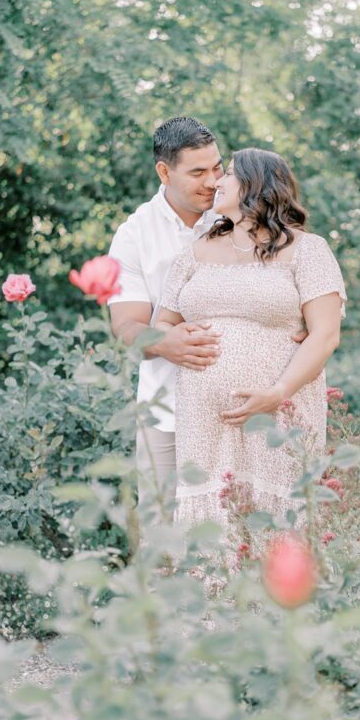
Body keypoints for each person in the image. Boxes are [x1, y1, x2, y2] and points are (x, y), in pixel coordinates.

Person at [155, 147, 346, 528]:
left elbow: (325, 337)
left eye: (227, 173)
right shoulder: (194, 253)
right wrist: (178, 339)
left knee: (277, 525)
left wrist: (278, 392)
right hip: (203, 419)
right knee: (210, 528)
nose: (216, 182)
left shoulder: (307, 250)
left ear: (256, 183)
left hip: (278, 411)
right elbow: (161, 326)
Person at [107, 117, 224, 506]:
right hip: (166, 413)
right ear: (164, 172)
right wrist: (165, 342)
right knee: (163, 538)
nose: (212, 181)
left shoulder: (237, 214)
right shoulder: (134, 234)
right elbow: (125, 325)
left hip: (235, 407)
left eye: (217, 167)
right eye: (197, 172)